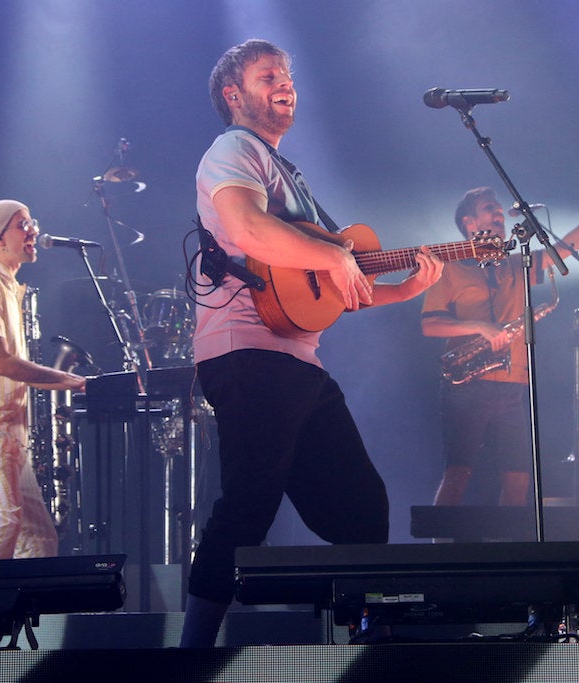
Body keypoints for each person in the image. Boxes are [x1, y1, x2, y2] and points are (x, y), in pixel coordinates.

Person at [180, 39, 444, 647]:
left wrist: (405, 289)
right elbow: (248, 227)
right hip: (248, 353)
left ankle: (360, 640)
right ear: (233, 95)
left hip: (296, 359)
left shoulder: (287, 173)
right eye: (268, 75)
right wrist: (330, 252)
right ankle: (190, 654)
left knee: (360, 511)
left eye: (288, 75)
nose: (285, 83)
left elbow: (324, 288)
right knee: (249, 504)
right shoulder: (233, 149)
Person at [422, 175, 579, 508]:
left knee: (518, 481)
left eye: (498, 209)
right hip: (466, 384)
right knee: (458, 475)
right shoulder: (449, 268)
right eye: (488, 209)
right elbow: (430, 325)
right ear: (468, 222)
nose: (498, 214)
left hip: (512, 384)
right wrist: (479, 326)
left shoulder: (515, 263)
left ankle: (507, 555)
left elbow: (567, 247)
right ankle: (439, 554)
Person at [0, 199, 87, 561]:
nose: (34, 231)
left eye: (32, 223)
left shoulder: (7, 286)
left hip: (8, 430)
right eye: (22, 225)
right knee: (3, 520)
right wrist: (66, 380)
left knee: (39, 539)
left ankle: (5, 619)